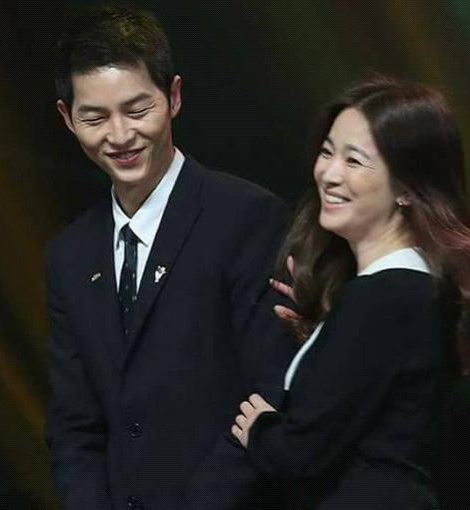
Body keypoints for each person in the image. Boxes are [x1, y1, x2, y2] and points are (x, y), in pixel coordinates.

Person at [229, 76, 470, 509]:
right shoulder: (409, 289)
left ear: (407, 188)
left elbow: (299, 452)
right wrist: (327, 332)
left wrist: (260, 428)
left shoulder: (384, 296)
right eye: (328, 152)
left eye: (354, 160)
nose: (329, 174)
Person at [45, 6, 296, 509]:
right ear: (67, 118)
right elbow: (74, 424)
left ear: (174, 97)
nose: (120, 136)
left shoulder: (248, 217)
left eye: (138, 110)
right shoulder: (69, 254)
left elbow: (274, 389)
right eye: (95, 117)